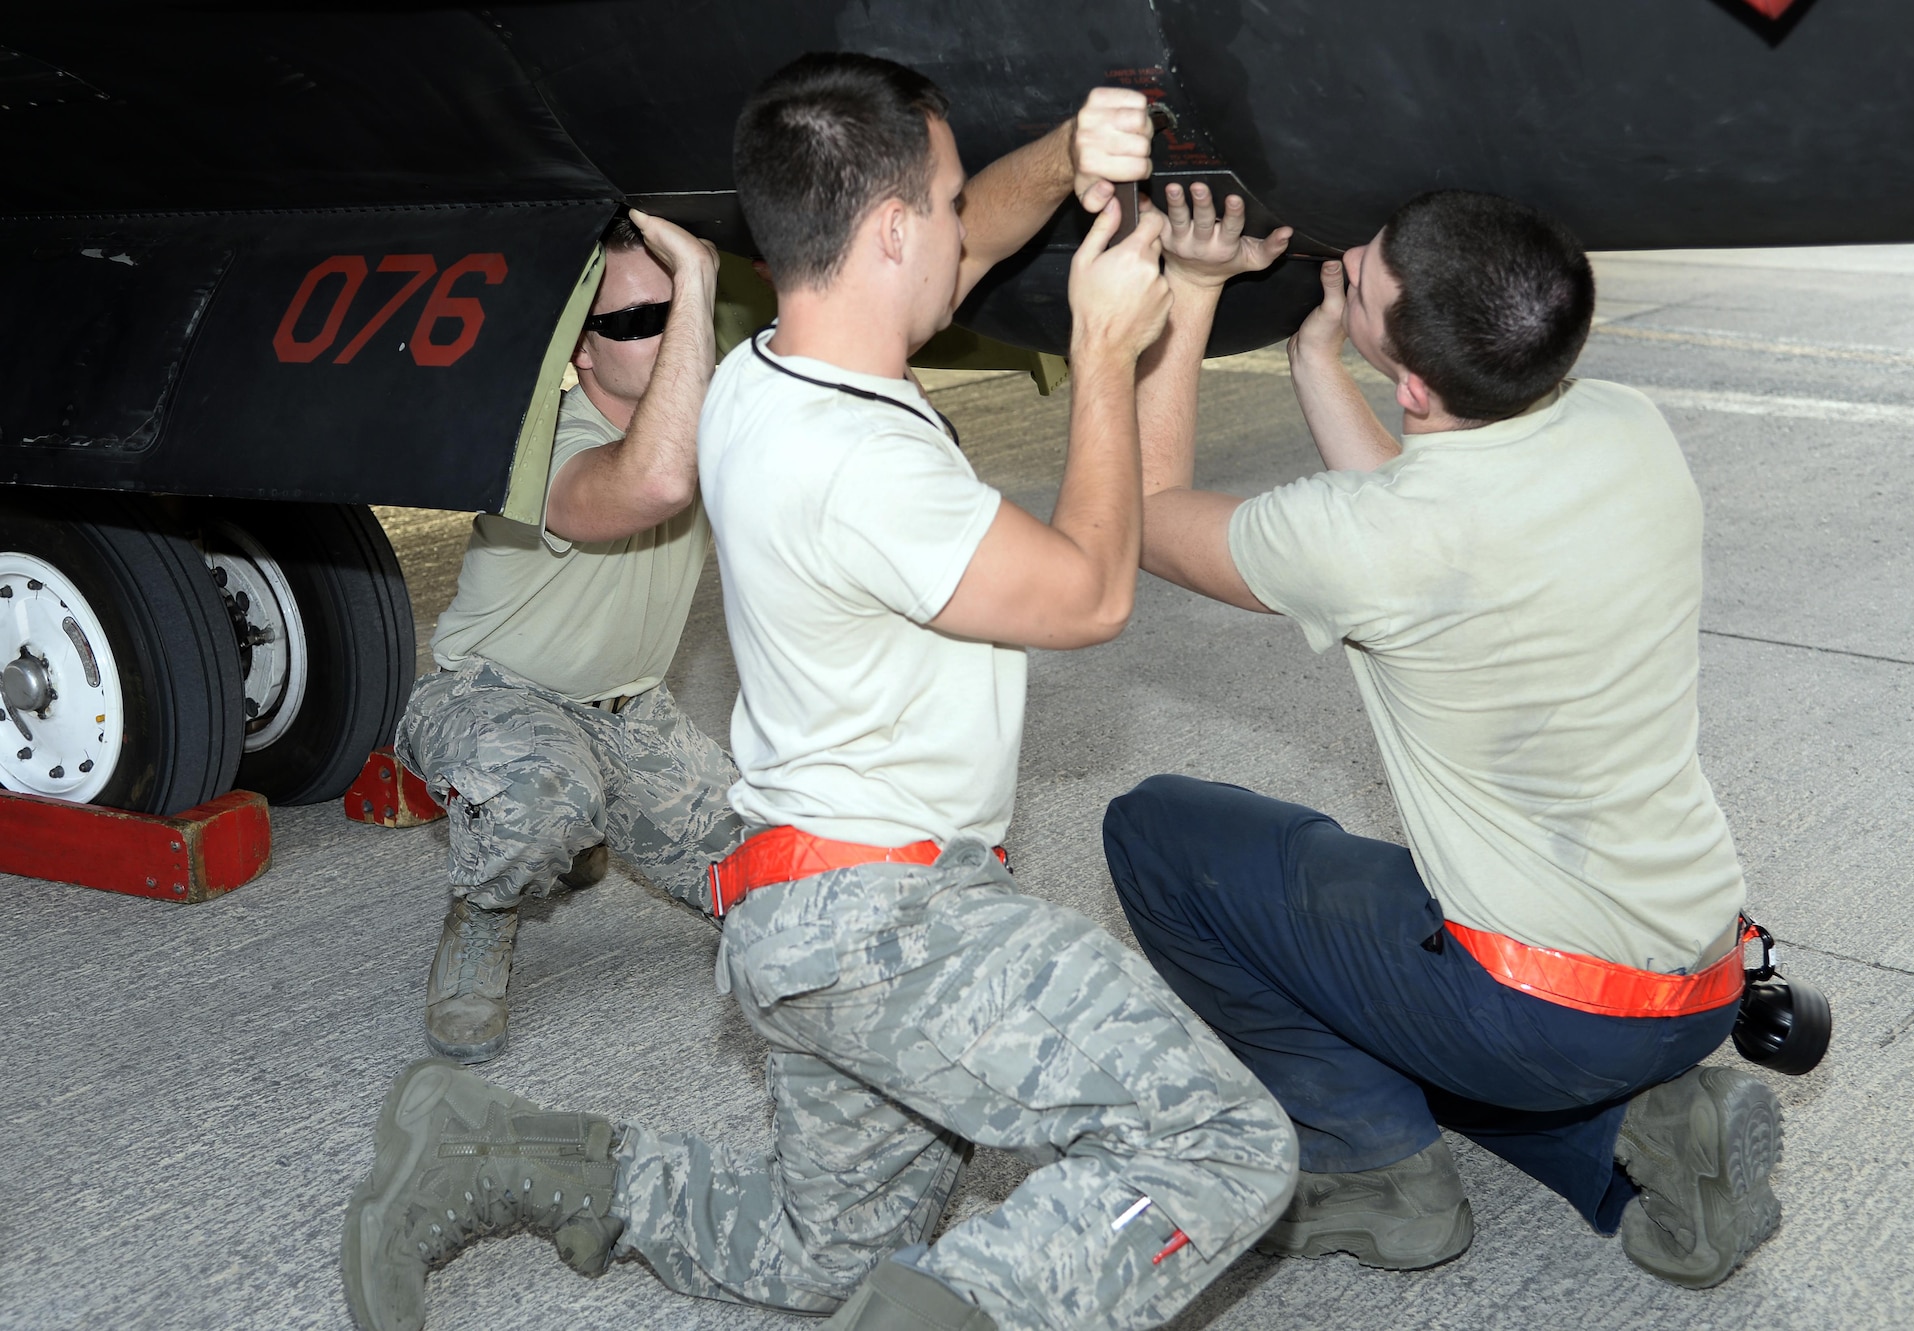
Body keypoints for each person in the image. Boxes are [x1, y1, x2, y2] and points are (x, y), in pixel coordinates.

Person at [342, 55, 1296, 1331]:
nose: (970, 229)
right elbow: (1086, 596)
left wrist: (1068, 157)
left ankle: (493, 1151)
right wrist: (1102, 346)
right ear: (889, 227)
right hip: (892, 923)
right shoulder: (857, 462)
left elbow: (948, 263)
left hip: (799, 914)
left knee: (819, 1257)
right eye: (949, 204)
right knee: (1223, 1139)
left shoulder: (766, 371)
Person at [1100, 187, 1782, 1290]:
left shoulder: (1373, 544)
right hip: (1698, 976)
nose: (1349, 257)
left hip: (1538, 1008)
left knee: (1161, 834)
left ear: (1413, 382)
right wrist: (1321, 357)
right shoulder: (1624, 426)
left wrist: (1187, 294)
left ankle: (1377, 1175)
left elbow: (1140, 503)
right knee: (1410, 959)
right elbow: (1427, 504)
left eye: (1360, 275)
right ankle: (1640, 1137)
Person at [395, 210, 740, 1063]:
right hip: (495, 699)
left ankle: (583, 818)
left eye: (681, 310)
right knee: (538, 799)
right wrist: (700, 277)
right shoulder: (541, 440)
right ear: (580, 349)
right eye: (639, 320)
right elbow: (654, 482)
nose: (673, 334)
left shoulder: (707, 422)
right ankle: (485, 909)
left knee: (784, 866)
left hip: (632, 714)